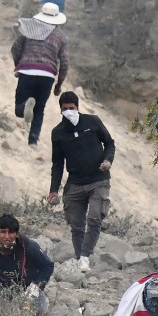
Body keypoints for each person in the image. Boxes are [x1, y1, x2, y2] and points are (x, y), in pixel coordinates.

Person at [49, 90, 115, 271]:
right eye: (64, 109)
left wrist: (108, 160)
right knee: (76, 225)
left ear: (77, 107)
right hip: (75, 183)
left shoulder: (92, 122)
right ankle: (80, 260)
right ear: (60, 110)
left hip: (98, 179)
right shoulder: (58, 133)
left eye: (71, 108)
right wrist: (53, 190)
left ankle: (85, 255)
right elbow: (57, 163)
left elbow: (109, 142)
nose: (68, 111)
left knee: (95, 217)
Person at [10, 3, 69, 146]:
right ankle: (33, 141)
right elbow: (65, 63)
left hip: (27, 71)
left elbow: (15, 48)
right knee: (40, 109)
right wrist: (58, 85)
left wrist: (19, 65)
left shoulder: (29, 28)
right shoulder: (61, 36)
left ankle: (25, 106)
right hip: (48, 74)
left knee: (19, 109)